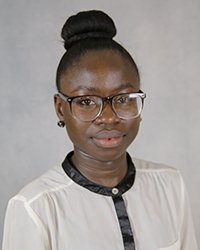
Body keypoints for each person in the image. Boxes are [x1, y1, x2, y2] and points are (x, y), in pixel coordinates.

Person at [2, 10, 198, 250]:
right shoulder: (35, 207)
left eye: (124, 98)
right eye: (86, 102)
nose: (108, 117)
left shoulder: (169, 185)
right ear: (60, 109)